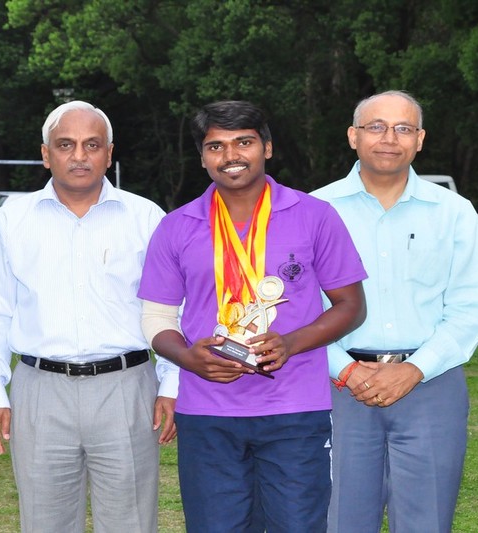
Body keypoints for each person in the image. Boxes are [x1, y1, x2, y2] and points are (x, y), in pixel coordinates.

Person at [138, 100, 368, 532]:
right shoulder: (177, 225)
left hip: (294, 408)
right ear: (202, 157)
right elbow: (156, 316)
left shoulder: (314, 216)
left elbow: (351, 305)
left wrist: (291, 343)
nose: (231, 156)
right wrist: (188, 358)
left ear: (267, 147)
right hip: (207, 411)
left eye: (243, 142)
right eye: (216, 146)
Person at [0, 100, 178, 533]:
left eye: (92, 145)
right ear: (46, 154)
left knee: (131, 524)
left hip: (127, 390)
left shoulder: (146, 217)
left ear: (109, 153)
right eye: (65, 145)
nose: (79, 155)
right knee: (45, 523)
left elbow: (174, 307)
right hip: (39, 392)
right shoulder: (13, 219)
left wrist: (173, 383)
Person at [311, 90, 478, 532]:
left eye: (403, 128)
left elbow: (472, 304)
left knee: (427, 521)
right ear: (353, 136)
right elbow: (298, 309)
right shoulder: (314, 211)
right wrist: (345, 370)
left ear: (420, 139)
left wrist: (415, 369)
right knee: (339, 520)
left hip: (431, 385)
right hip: (336, 388)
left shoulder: (454, 212)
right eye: (376, 126)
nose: (389, 138)